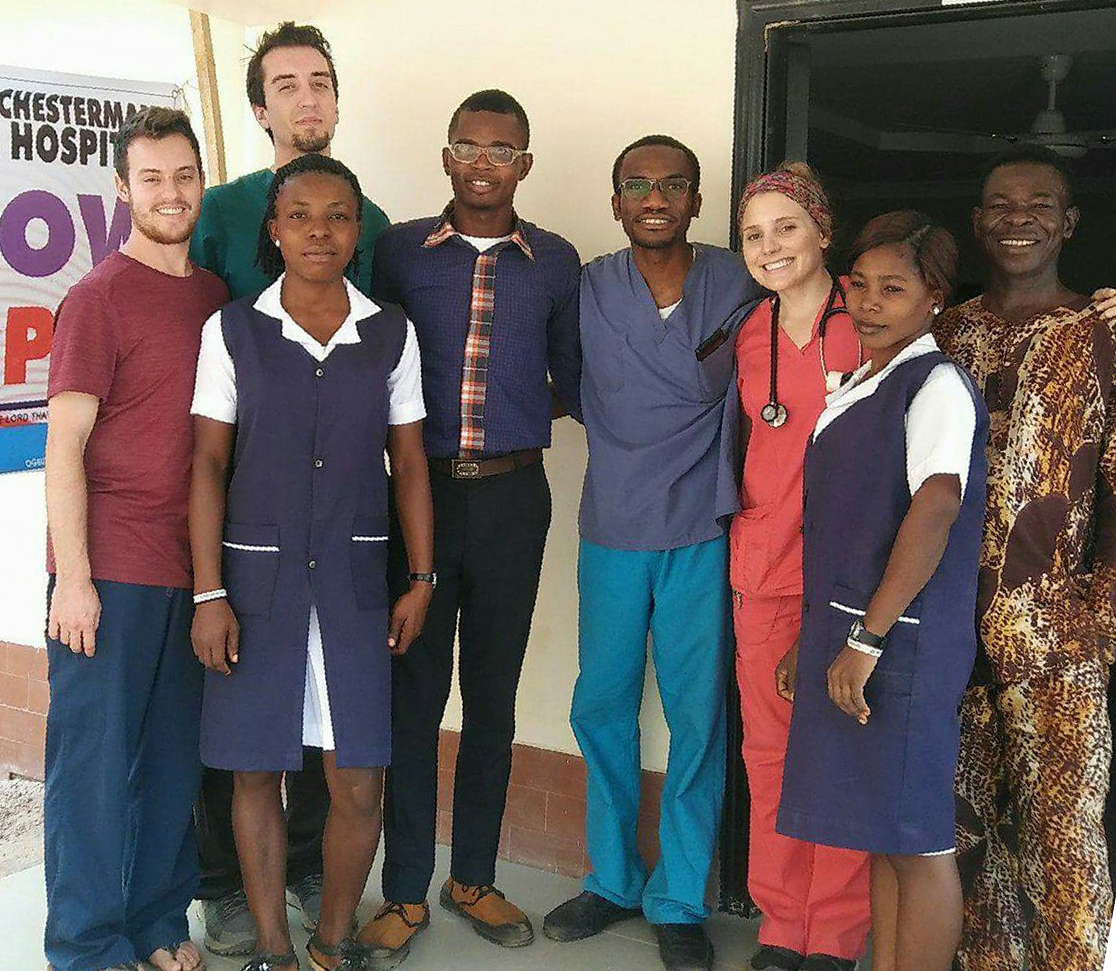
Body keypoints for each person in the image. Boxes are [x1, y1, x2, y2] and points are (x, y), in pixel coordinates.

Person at [188, 153, 434, 971]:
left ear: (356, 229)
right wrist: (208, 591)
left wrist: (422, 578)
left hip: (359, 591)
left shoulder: (390, 332)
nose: (318, 230)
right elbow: (207, 467)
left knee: (359, 780)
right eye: (300, 215)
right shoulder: (232, 330)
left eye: (336, 215)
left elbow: (411, 465)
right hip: (255, 589)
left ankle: (331, 945)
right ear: (274, 228)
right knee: (256, 773)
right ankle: (271, 949)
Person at [357, 89, 581, 967]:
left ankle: (474, 876)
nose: (485, 162)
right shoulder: (398, 251)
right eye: (469, 146)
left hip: (515, 501)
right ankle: (406, 889)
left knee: (492, 698)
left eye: (503, 150)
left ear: (525, 164)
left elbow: (572, 375)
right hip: (416, 498)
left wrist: (516, 420)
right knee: (413, 697)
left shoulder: (557, 262)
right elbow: (363, 358)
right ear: (445, 156)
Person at [543, 135, 761, 971]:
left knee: (697, 715)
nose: (655, 195)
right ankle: (610, 877)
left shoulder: (737, 282)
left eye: (673, 183)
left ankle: (675, 896)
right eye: (637, 183)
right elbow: (564, 381)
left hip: (703, 530)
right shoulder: (587, 286)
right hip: (612, 527)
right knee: (600, 703)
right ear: (616, 200)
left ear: (698, 200)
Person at [777, 211, 988, 971]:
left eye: (892, 288)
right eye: (859, 284)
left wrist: (864, 640)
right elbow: (851, 527)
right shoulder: (870, 378)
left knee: (922, 842)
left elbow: (934, 510)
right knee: (885, 836)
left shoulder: (935, 384)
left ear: (934, 297)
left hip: (906, 644)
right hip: (860, 633)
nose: (868, 302)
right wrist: (816, 635)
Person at [43, 107, 227, 971]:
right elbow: (64, 450)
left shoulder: (212, 297)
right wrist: (72, 581)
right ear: (122, 189)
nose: (170, 192)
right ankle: (85, 945)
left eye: (183, 175)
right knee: (91, 771)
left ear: (202, 182)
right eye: (150, 178)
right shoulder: (97, 298)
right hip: (109, 571)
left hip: (189, 573)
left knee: (169, 770)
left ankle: (156, 923)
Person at [936, 146, 1116, 971]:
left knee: (1064, 841)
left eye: (1039, 203)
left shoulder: (1101, 336)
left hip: (1058, 641)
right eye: (1000, 204)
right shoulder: (944, 331)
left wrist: (1098, 613)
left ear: (1069, 222)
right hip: (943, 640)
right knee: (962, 836)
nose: (1018, 218)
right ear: (977, 222)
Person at [731, 163, 870, 971]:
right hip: (766, 572)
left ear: (823, 231)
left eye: (787, 227)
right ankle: (784, 924)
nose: (770, 246)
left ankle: (838, 932)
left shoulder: (875, 313)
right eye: (753, 234)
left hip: (852, 577)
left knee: (842, 747)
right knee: (771, 754)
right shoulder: (749, 332)